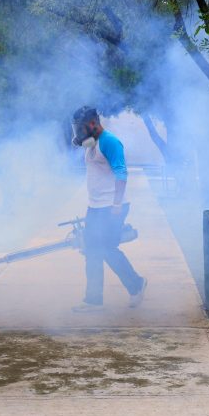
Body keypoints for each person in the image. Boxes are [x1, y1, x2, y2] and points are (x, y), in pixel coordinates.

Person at [70, 106, 147, 313]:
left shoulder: (110, 142)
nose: (79, 133)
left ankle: (137, 284)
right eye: (76, 129)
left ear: (93, 124)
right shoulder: (91, 144)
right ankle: (93, 300)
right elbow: (87, 152)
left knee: (107, 249)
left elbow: (121, 174)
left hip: (112, 206)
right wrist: (78, 140)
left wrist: (116, 205)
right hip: (95, 206)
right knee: (91, 250)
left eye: (81, 128)